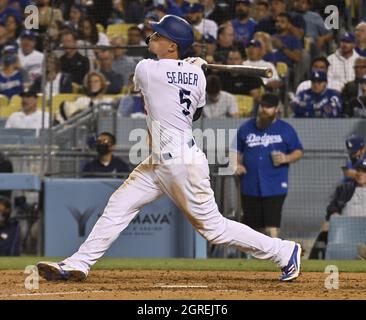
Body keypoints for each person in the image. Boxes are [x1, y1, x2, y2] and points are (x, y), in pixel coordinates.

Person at [37, 15, 302, 282]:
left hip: (180, 163)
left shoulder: (146, 69)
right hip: (159, 162)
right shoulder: (198, 75)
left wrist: (185, 69)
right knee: (119, 205)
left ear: (173, 45)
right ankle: (80, 263)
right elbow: (195, 113)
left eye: (159, 36)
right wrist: (193, 70)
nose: (151, 37)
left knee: (214, 229)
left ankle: (283, 250)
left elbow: (154, 87)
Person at [233, 93, 304, 238]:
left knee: (272, 225)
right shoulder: (246, 128)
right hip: (250, 184)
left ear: (276, 109)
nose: (264, 109)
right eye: (262, 106)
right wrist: (237, 165)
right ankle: (255, 259)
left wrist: (286, 158)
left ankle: (274, 257)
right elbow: (235, 151)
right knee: (253, 227)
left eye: (269, 107)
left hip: (275, 184)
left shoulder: (285, 129)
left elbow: (298, 151)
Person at [310, 155, 366, 259]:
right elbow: (332, 208)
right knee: (323, 233)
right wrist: (334, 215)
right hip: (346, 229)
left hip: (364, 231)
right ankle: (312, 268)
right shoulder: (345, 189)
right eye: (358, 170)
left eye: (364, 171)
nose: (360, 173)